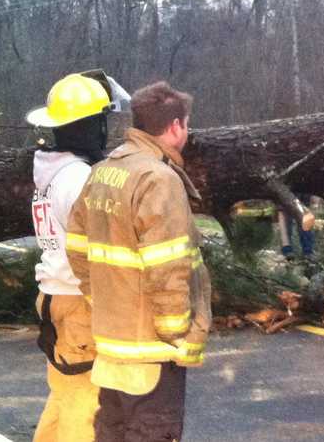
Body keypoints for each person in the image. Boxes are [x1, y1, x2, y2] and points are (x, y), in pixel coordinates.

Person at [66, 81, 211, 441]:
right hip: (151, 353)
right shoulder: (158, 179)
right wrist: (176, 334)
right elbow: (169, 266)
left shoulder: (103, 171)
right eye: (186, 124)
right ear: (175, 126)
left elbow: (77, 248)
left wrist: (103, 304)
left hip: (112, 346)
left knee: (112, 432)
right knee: (150, 432)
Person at [26, 73, 115, 442]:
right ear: (87, 127)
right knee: (86, 398)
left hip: (54, 295)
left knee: (64, 394)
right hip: (79, 299)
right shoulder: (78, 178)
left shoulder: (50, 174)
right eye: (101, 121)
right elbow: (99, 247)